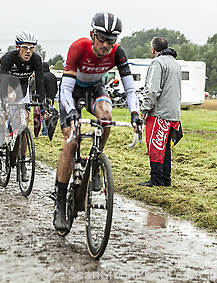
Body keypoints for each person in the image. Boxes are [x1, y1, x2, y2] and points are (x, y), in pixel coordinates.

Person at [53, 12, 142, 231]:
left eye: (111, 40)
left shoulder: (118, 53)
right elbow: (65, 87)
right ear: (92, 34)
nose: (105, 44)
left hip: (94, 89)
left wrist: (135, 114)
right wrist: (72, 112)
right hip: (71, 91)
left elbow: (130, 89)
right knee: (71, 143)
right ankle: (61, 200)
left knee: (106, 118)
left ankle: (94, 163)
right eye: (101, 38)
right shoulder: (79, 48)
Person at [0, 31, 46, 182]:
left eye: (32, 48)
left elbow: (40, 82)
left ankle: (22, 161)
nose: (28, 51)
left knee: (25, 123)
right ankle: (1, 132)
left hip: (23, 89)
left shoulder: (37, 59)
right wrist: (4, 101)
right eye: (25, 47)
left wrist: (42, 104)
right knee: (8, 103)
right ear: (18, 47)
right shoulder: (8, 58)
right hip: (7, 84)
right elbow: (2, 82)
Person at [139, 36, 182, 187]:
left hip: (159, 112)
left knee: (155, 146)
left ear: (153, 49)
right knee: (165, 148)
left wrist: (144, 109)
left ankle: (156, 179)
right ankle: (166, 179)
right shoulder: (176, 64)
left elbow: (152, 89)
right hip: (173, 113)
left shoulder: (157, 63)